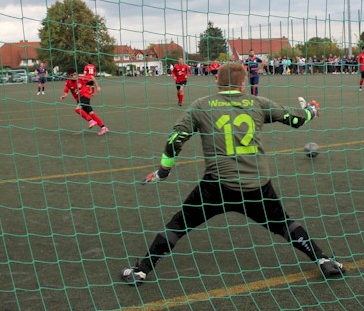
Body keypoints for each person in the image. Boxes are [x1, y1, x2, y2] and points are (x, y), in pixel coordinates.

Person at [120, 63, 345, 285]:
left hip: (217, 186)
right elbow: (295, 120)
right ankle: (323, 259)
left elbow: (175, 140)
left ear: (216, 80)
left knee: (178, 225)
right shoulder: (258, 103)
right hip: (256, 185)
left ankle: (141, 271)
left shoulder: (201, 105)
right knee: (285, 224)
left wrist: (163, 171)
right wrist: (311, 111)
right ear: (244, 83)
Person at [62, 65, 108, 135]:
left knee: (77, 109)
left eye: (75, 74)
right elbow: (66, 90)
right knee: (91, 113)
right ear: (69, 75)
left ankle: (91, 121)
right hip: (79, 99)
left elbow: (92, 77)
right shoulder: (68, 82)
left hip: (85, 95)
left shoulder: (81, 78)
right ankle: (103, 128)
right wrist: (64, 96)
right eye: (72, 75)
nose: (74, 76)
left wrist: (97, 87)